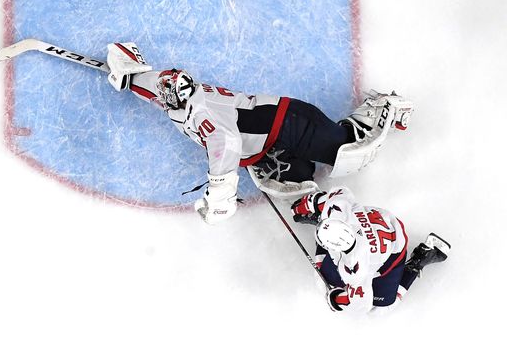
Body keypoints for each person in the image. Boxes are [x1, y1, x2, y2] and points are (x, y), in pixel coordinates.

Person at [103, 42, 413, 224]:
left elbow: (225, 141)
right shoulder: (170, 92)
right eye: (165, 93)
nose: (166, 97)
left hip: (292, 123)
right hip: (273, 146)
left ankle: (381, 107)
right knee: (301, 180)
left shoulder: (199, 111)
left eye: (171, 95)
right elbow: (144, 78)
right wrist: (126, 74)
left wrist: (220, 195)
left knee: (346, 152)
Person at [291, 186, 450, 313]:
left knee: (383, 307)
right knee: (325, 273)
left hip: (392, 254)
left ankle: (417, 262)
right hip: (384, 223)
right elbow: (339, 193)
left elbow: (360, 303)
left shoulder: (355, 267)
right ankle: (320, 223)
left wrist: (335, 299)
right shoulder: (338, 210)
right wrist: (310, 203)